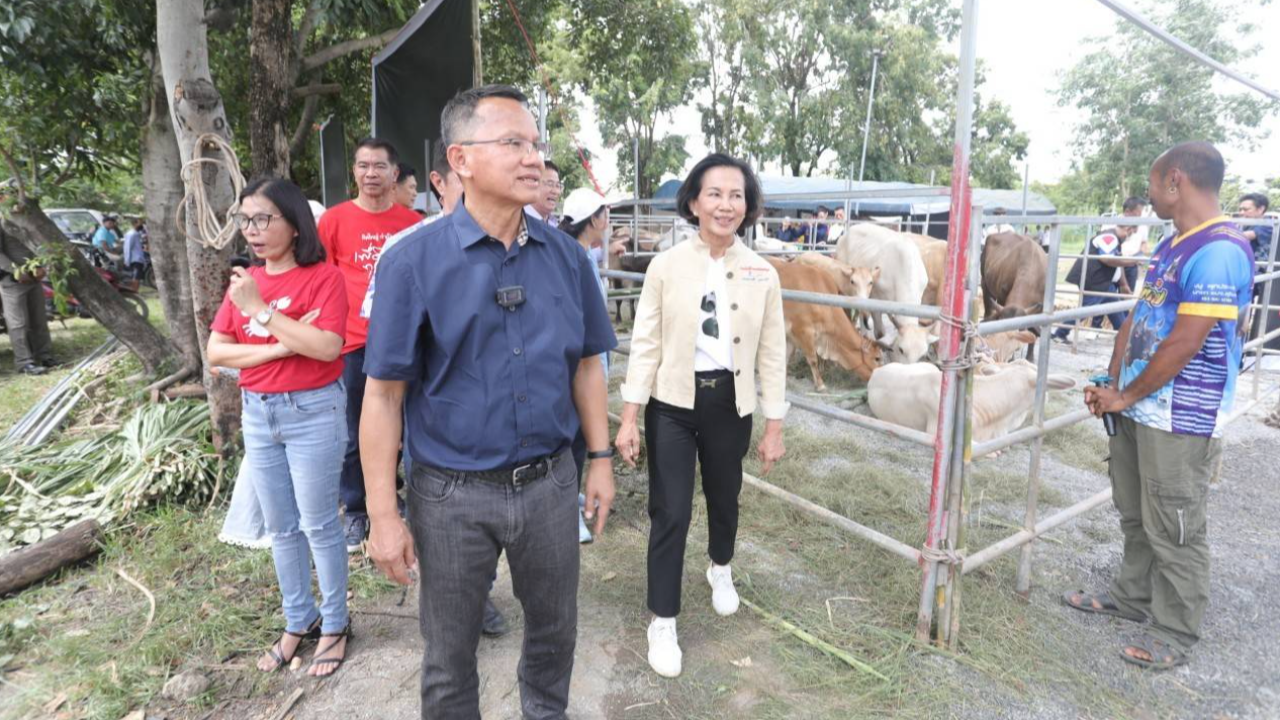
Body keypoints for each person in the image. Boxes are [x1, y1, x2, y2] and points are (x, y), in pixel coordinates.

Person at [360, 84, 616, 719]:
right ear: (462, 159)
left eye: (535, 144)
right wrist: (383, 515)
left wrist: (602, 457)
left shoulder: (567, 258)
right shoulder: (411, 262)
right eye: (512, 143)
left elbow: (587, 363)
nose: (532, 158)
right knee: (449, 654)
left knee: (555, 633)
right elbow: (384, 396)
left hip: (551, 485)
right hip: (449, 496)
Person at [1067, 142, 1253, 671]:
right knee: (1135, 511)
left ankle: (1176, 629)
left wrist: (1125, 393)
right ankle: (1132, 597)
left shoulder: (1219, 249)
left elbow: (1184, 343)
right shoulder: (1175, 244)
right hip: (1140, 405)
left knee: (1174, 522)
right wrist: (1111, 377)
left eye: (1152, 185)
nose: (1148, 198)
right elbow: (1138, 318)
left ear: (1175, 180)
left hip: (1180, 414)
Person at [615, 153, 788, 679]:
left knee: (724, 496)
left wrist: (774, 424)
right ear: (694, 201)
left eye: (736, 195)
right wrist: (629, 415)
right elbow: (645, 342)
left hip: (729, 405)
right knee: (670, 510)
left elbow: (773, 353)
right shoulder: (667, 265)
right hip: (672, 404)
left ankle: (720, 567)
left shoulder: (762, 272)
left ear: (748, 206)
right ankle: (662, 619)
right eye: (714, 193)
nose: (726, 204)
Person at [207, 177, 352, 677]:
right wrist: (282, 344)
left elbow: (329, 347)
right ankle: (299, 618)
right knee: (281, 527)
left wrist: (261, 314)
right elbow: (216, 353)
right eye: (245, 219)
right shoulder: (244, 281)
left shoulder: (322, 278)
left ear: (294, 224)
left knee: (318, 523)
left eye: (264, 218)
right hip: (259, 412)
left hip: (313, 411)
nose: (253, 230)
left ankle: (334, 623)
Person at [317, 137, 421, 552]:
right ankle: (358, 510)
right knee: (355, 430)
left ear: (395, 174)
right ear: (355, 172)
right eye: (363, 166)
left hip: (403, 341)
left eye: (379, 166)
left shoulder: (412, 222)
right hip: (353, 343)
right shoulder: (334, 221)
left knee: (409, 428)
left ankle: (409, 503)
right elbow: (322, 278)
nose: (370, 174)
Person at [558, 188, 616, 545]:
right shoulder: (572, 258)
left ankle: (572, 495)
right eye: (605, 214)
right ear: (594, 219)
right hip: (575, 365)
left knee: (581, 438)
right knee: (575, 441)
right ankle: (567, 513)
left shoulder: (586, 255)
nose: (608, 221)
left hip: (590, 360)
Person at [1053, 223, 1142, 342]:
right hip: (1095, 281)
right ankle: (1060, 333)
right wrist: (1131, 262)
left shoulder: (1112, 238)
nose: (1129, 236)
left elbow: (1115, 261)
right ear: (1128, 229)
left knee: (1115, 306)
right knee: (1086, 310)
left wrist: (1123, 283)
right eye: (1131, 233)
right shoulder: (1110, 237)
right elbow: (1106, 259)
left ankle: (1123, 335)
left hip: (1102, 281)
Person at [0, 225, 55, 375]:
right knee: (18, 324)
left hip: (34, 278)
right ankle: (24, 362)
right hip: (12, 281)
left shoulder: (24, 219)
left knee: (39, 319)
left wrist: (44, 267)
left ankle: (44, 356)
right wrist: (15, 271)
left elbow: (38, 245)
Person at [1119, 196, 1150, 292]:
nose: (1140, 217)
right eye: (1138, 214)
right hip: (1116, 264)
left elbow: (1144, 243)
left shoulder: (1142, 225)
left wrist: (1143, 253)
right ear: (1127, 212)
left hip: (1132, 265)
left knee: (1128, 293)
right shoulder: (1112, 223)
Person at [525, 159, 562, 225]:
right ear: (533, 184)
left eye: (558, 185)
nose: (555, 191)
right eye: (550, 184)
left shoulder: (554, 225)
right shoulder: (519, 222)